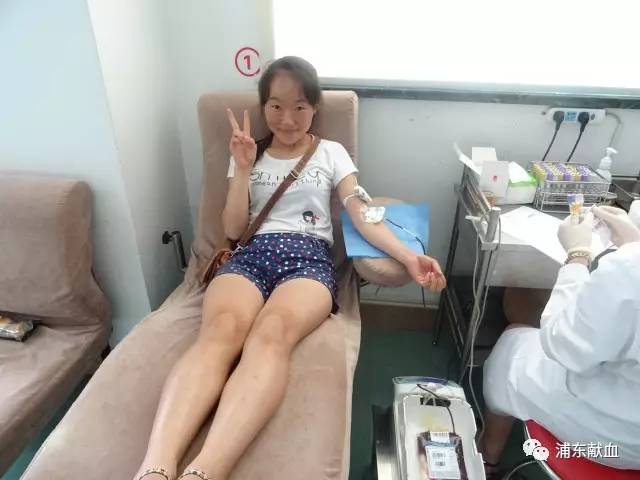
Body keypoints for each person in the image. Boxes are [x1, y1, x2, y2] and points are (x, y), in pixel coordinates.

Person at [134, 56, 446, 480]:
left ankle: (204, 471)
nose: (287, 118)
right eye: (276, 106)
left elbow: (361, 214)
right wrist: (243, 168)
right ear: (264, 106)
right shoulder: (248, 151)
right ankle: (155, 468)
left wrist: (409, 256)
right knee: (220, 333)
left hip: (307, 259)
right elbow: (232, 229)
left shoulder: (331, 152)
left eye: (299, 106)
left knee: (271, 334)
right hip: (251, 255)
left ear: (314, 107)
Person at [479, 205, 640, 475]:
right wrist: (632, 244)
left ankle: (488, 455)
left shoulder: (629, 267)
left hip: (611, 439)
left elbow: (563, 346)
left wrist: (577, 255)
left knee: (512, 344)